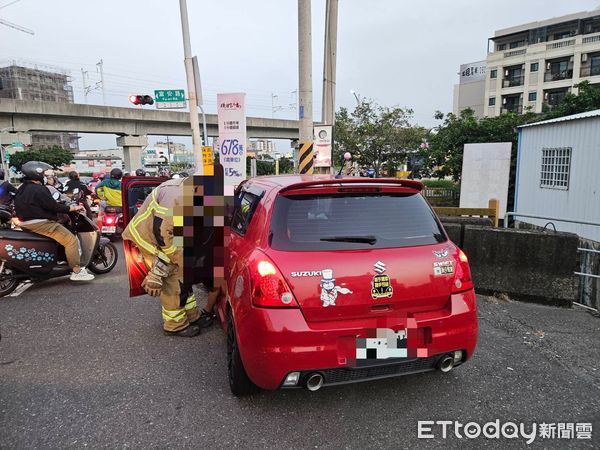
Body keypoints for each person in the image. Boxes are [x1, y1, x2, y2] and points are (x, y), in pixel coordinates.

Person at [122, 166, 224, 337]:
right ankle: (175, 325)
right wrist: (176, 259)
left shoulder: (194, 191)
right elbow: (162, 233)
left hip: (170, 237)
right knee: (173, 282)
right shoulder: (176, 196)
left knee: (184, 277)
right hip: (149, 239)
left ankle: (192, 316)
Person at [14, 161, 94, 281]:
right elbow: (54, 207)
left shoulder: (21, 188)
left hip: (25, 222)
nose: (47, 177)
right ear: (37, 174)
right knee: (71, 241)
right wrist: (72, 208)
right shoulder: (39, 189)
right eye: (45, 174)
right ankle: (77, 271)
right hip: (41, 223)